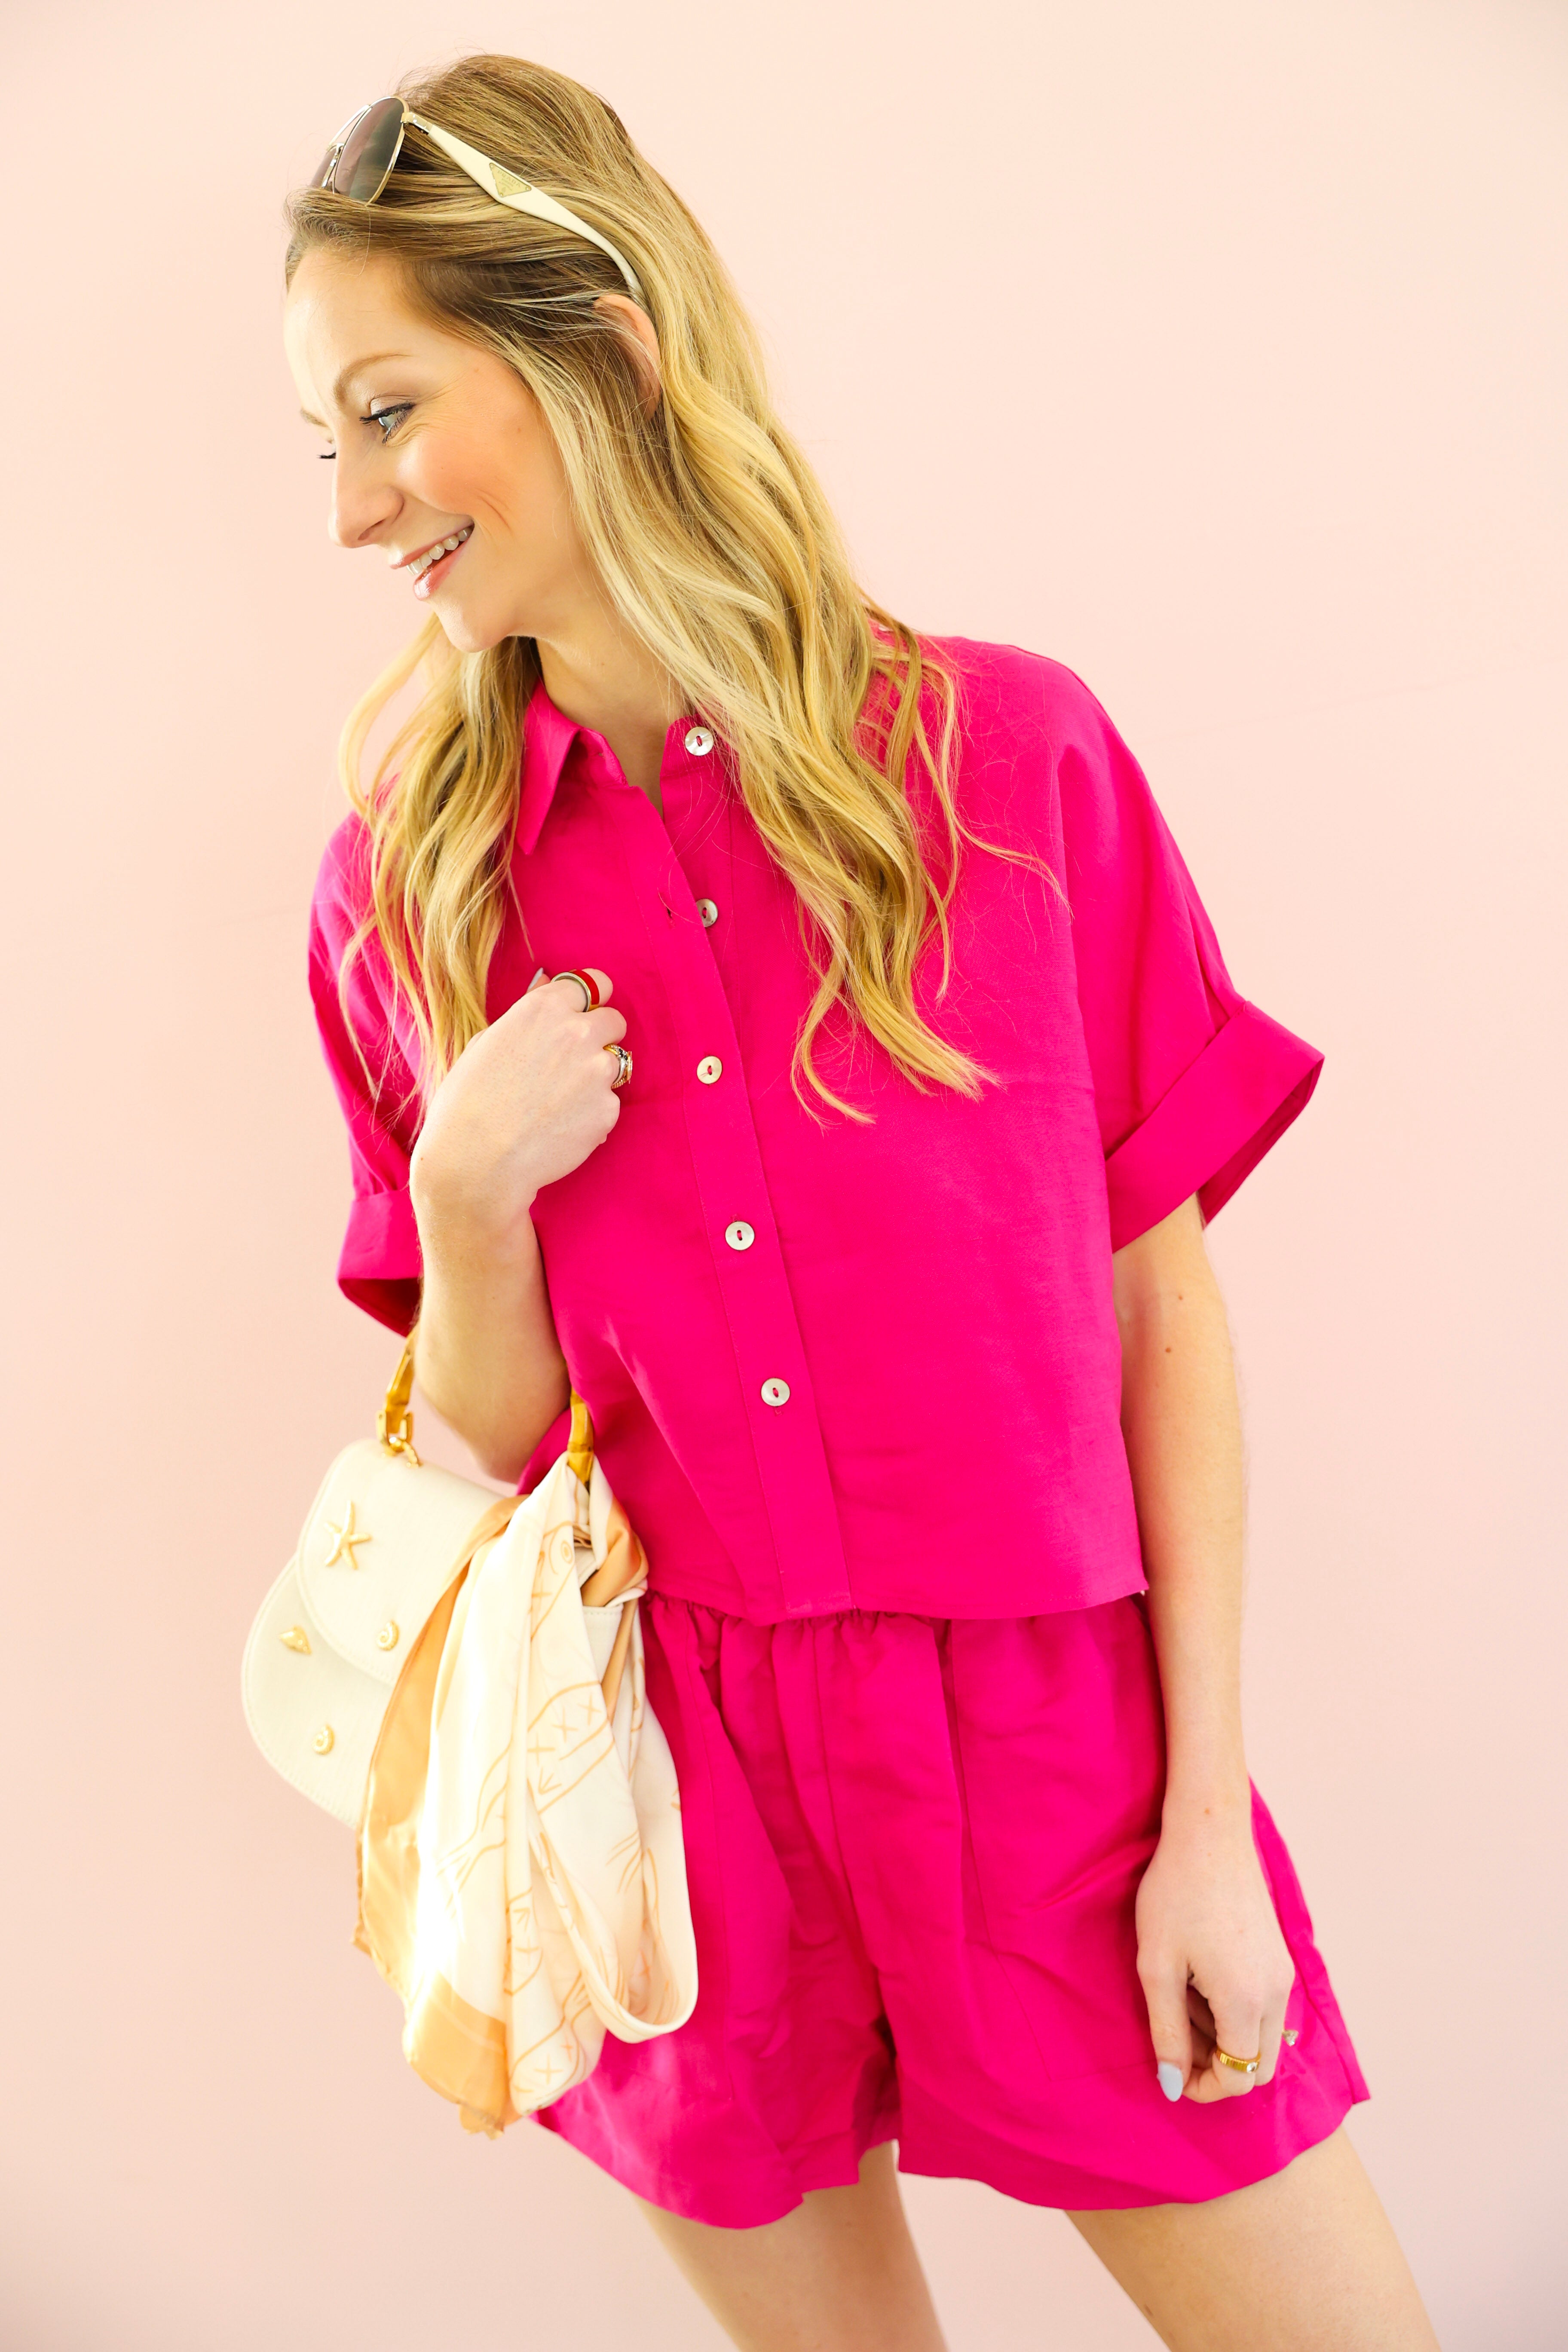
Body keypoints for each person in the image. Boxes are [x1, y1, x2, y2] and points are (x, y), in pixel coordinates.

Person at [284, 52, 1438, 2352]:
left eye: (389, 414)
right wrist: (468, 1188)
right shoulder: (404, 890)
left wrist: (1205, 1818)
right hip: (671, 1799)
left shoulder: (1011, 762)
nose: (354, 511)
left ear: (604, 344)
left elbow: (1160, 1318)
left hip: (1063, 1760)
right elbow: (481, 1442)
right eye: (326, 443)